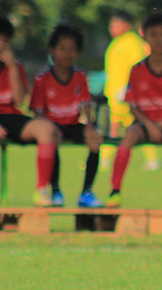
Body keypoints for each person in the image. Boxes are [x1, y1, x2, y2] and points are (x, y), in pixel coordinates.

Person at [0, 14, 61, 207]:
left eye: (5, 41)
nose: (1, 45)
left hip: (11, 117)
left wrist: (12, 69)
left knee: (47, 130)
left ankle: (42, 190)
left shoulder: (15, 66)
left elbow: (18, 101)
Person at [105, 11, 162, 208]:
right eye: (153, 34)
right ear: (145, 37)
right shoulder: (137, 70)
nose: (159, 39)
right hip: (144, 125)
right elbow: (132, 104)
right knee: (128, 136)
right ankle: (114, 191)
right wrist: (148, 124)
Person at [29, 24, 105, 209]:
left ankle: (87, 192)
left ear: (78, 53)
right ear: (52, 50)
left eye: (72, 49)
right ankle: (55, 190)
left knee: (96, 140)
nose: (66, 53)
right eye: (62, 48)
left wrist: (90, 128)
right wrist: (49, 128)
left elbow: (86, 106)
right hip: (51, 125)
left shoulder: (79, 76)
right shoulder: (42, 79)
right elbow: (38, 112)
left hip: (72, 123)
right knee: (51, 138)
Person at [102, 10, 160, 171]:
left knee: (131, 126)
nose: (112, 28)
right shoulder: (116, 43)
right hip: (115, 94)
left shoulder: (132, 42)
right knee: (117, 126)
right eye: (111, 25)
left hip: (126, 95)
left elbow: (137, 67)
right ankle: (105, 160)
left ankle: (152, 159)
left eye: (115, 25)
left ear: (125, 25)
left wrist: (129, 89)